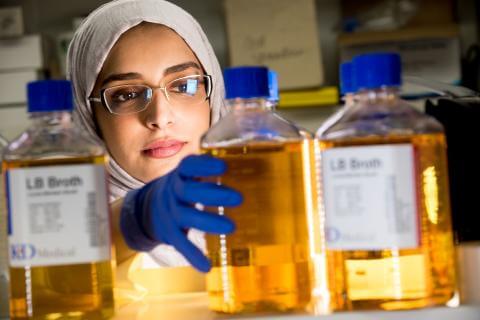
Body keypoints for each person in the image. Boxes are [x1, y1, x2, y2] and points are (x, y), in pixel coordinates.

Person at [67, 0, 242, 273]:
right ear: (89, 116)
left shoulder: (267, 194)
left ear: (214, 95)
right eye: (126, 94)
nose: (160, 117)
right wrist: (131, 220)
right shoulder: (51, 222)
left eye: (184, 85)